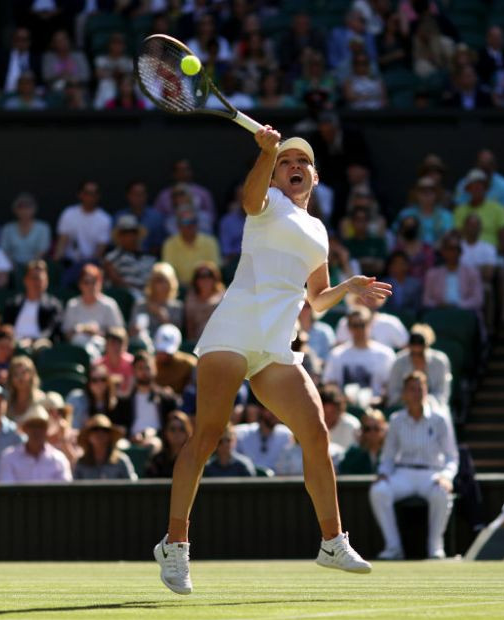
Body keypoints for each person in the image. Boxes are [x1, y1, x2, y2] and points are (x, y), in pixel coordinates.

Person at [155, 130, 389, 594]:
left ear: (315, 176)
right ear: (278, 174)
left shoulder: (319, 231)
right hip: (234, 332)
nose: (294, 165)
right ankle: (175, 545)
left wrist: (348, 287)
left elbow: (317, 300)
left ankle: (331, 541)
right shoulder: (268, 205)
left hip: (275, 347)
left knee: (316, 431)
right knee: (205, 437)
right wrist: (265, 154)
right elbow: (248, 196)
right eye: (287, 161)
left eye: (303, 161)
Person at [368, 371, 458, 560]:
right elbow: (389, 457)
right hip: (404, 474)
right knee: (378, 491)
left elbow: (451, 457)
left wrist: (446, 477)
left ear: (426, 391)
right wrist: (384, 473)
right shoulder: (396, 420)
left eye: (420, 389)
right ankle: (393, 547)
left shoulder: (440, 420)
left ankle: (435, 547)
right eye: (412, 389)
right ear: (405, 394)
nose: (417, 393)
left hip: (432, 474)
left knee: (441, 492)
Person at [322, 306, 396, 405]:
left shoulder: (386, 354)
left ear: (370, 324)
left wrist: (379, 400)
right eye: (355, 325)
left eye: (363, 324)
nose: (359, 329)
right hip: (343, 409)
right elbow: (329, 384)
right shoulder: (337, 354)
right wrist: (341, 398)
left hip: (375, 409)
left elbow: (390, 387)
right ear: (349, 327)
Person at [0, 404, 72, 483]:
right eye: (32, 426)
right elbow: (7, 490)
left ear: (47, 430)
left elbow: (64, 491)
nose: (37, 431)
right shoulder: (9, 457)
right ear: (25, 429)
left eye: (41, 426)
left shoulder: (59, 459)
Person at [385, 324, 452, 411]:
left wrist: (424, 402)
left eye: (420, 353)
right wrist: (410, 399)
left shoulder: (440, 361)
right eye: (413, 352)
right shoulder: (399, 362)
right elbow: (393, 394)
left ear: (427, 345)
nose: (416, 355)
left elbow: (442, 394)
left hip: (434, 409)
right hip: (403, 408)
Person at [61, 263, 124, 352]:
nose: (90, 286)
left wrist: (98, 333)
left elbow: (119, 333)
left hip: (103, 350)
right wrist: (81, 330)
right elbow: (66, 334)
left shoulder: (109, 305)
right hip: (77, 349)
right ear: (80, 284)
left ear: (100, 283)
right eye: (86, 282)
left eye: (94, 281)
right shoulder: (72, 305)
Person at [125, 350, 180, 449]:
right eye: (140, 368)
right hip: (130, 440)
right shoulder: (126, 401)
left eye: (147, 368)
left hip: (158, 440)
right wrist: (132, 437)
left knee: (153, 444)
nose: (144, 372)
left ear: (154, 369)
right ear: (134, 371)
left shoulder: (166, 399)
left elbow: (173, 423)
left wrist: (155, 433)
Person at [3, 260, 63, 350]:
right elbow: (6, 326)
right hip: (13, 343)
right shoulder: (13, 304)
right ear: (25, 280)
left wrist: (31, 341)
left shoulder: (53, 306)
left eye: (40, 279)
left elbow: (49, 332)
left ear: (46, 281)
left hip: (38, 345)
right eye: (34, 278)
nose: (37, 283)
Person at [73, 414, 137, 481]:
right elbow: (75, 488)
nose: (100, 433)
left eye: (104, 430)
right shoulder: (81, 463)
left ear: (110, 436)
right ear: (88, 436)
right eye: (95, 430)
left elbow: (133, 486)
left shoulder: (121, 461)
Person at [130, 262, 183, 343]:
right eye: (159, 280)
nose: (163, 284)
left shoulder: (177, 307)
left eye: (166, 281)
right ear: (152, 283)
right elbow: (131, 332)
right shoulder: (140, 305)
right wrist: (135, 330)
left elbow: (176, 335)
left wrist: (160, 314)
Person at [104, 215, 156, 295]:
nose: (130, 236)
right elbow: (117, 283)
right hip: (128, 298)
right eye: (125, 233)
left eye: (133, 232)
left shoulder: (150, 258)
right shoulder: (110, 259)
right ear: (119, 236)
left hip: (151, 297)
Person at [0, 193, 51, 267]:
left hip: (36, 268)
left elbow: (42, 251)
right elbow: (4, 251)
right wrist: (13, 267)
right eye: (21, 207)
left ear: (34, 209)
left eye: (28, 207)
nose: (24, 210)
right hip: (12, 268)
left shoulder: (43, 228)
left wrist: (29, 267)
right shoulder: (7, 228)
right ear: (15, 210)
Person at [183, 261, 226, 342]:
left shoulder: (225, 297)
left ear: (215, 278)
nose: (205, 279)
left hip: (220, 339)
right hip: (198, 341)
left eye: (209, 275)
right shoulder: (190, 298)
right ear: (196, 280)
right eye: (201, 276)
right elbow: (190, 324)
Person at [338, 408, 387, 475]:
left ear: (383, 429)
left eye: (376, 428)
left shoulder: (391, 452)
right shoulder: (353, 454)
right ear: (362, 430)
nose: (372, 433)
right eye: (367, 429)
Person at [152, 324, 196, 396]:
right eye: (161, 351)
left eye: (167, 353)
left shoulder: (189, 364)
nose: (164, 355)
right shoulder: (149, 364)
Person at [145, 410, 192, 478]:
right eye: (172, 429)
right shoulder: (157, 461)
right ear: (165, 432)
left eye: (182, 429)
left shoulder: (194, 461)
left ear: (188, 432)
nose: (177, 433)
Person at [5, 356, 45, 424]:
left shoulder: (42, 399)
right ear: (10, 378)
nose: (20, 378)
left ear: (32, 374)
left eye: (24, 373)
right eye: (16, 374)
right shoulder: (6, 402)